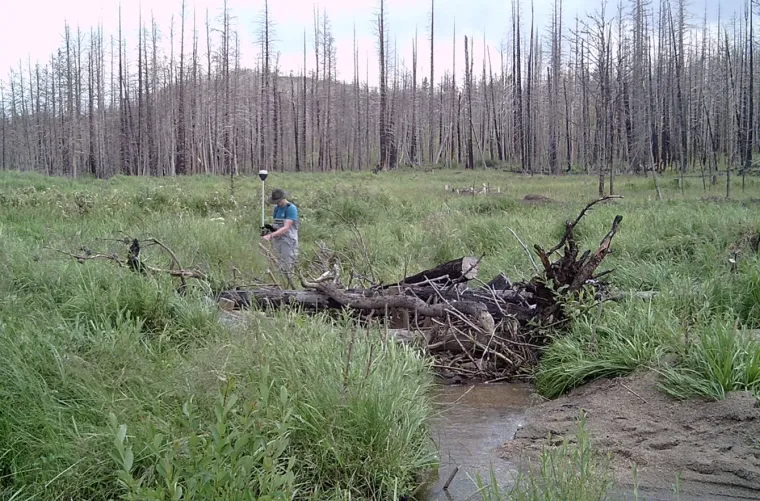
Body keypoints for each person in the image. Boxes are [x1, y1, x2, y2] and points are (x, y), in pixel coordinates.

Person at [261, 188, 299, 287]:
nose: (277, 204)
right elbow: (277, 225)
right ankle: (278, 285)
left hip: (288, 240)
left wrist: (270, 236)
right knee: (277, 264)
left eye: (278, 201)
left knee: (287, 265)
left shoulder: (291, 208)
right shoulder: (277, 209)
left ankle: (289, 286)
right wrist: (268, 229)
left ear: (283, 199)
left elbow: (286, 227)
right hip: (277, 240)